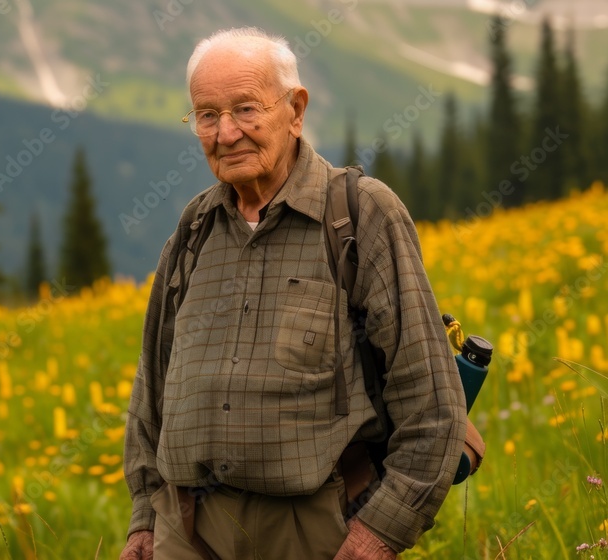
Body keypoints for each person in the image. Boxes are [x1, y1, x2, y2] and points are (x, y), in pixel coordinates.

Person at [120, 27, 467, 560]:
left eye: (245, 109)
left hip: (315, 530)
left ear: (295, 109)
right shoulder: (194, 230)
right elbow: (153, 389)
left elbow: (433, 404)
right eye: (207, 115)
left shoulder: (359, 216)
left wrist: (382, 530)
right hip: (185, 528)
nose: (226, 132)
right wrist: (145, 517)